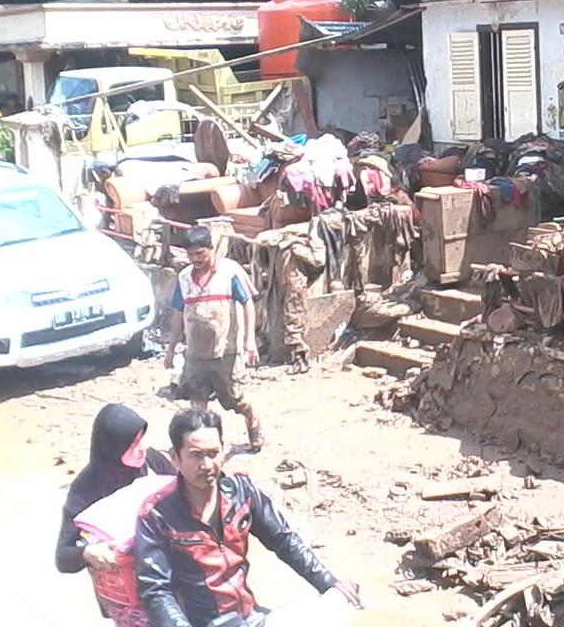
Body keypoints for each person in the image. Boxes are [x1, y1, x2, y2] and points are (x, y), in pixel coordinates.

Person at [135, 408, 361, 627]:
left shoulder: (242, 492)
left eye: (213, 453)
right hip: (202, 623)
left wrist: (329, 582)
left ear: (223, 450)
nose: (206, 465)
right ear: (175, 457)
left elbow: (284, 540)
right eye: (195, 456)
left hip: (250, 616)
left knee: (339, 601)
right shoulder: (157, 514)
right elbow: (156, 591)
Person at [56, 404, 176, 620]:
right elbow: (63, 556)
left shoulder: (152, 462)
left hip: (170, 579)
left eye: (141, 440)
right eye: (132, 445)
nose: (141, 449)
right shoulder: (86, 489)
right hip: (128, 598)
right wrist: (87, 553)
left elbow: (185, 491)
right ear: (112, 448)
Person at [166, 225, 263, 451]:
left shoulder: (230, 272)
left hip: (226, 352)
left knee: (235, 400)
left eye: (200, 254)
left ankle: (252, 420)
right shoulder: (184, 278)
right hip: (195, 353)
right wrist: (171, 349)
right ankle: (208, 445)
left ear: (212, 249)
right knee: (199, 406)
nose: (195, 260)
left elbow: (247, 303)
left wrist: (250, 340)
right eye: (190, 255)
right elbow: (178, 314)